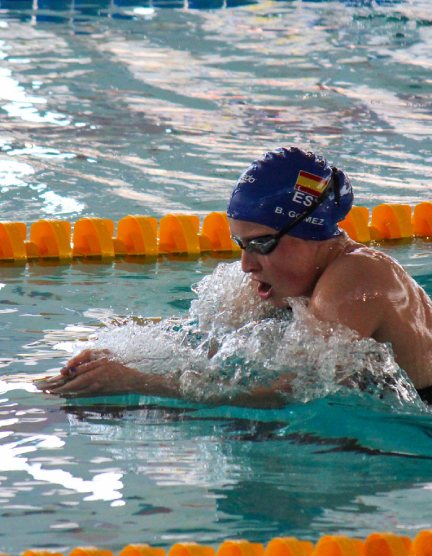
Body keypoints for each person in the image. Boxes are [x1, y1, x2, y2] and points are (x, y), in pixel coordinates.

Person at [37, 146, 432, 401]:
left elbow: (293, 391)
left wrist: (140, 383)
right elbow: (206, 338)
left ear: (308, 231)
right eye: (241, 245)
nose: (247, 264)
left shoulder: (356, 279)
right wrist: (125, 357)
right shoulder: (283, 281)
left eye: (261, 243)